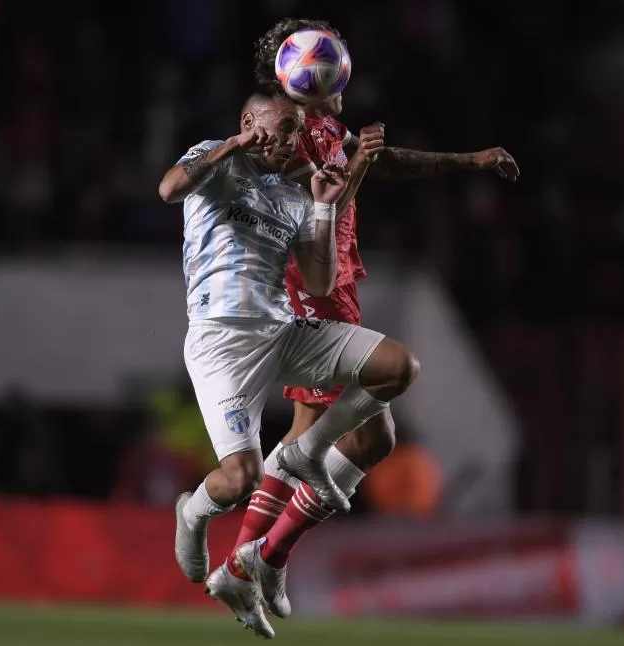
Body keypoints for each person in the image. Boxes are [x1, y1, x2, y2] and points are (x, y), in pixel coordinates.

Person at [224, 16, 521, 620]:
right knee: (356, 434)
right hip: (313, 289)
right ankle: (259, 557)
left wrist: (470, 158)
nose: (344, 86)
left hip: (339, 290)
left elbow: (384, 163)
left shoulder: (327, 127)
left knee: (329, 433)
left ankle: (255, 558)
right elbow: (316, 205)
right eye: (334, 73)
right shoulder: (286, 133)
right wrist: (360, 165)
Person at [158, 86, 419, 639]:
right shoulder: (214, 158)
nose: (286, 141)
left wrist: (326, 207)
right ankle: (195, 514)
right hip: (221, 343)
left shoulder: (294, 195)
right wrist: (232, 145)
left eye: (293, 131)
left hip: (281, 334)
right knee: (240, 478)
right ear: (249, 121)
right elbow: (168, 188)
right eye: (276, 128)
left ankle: (306, 451)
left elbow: (320, 280)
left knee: (398, 367)